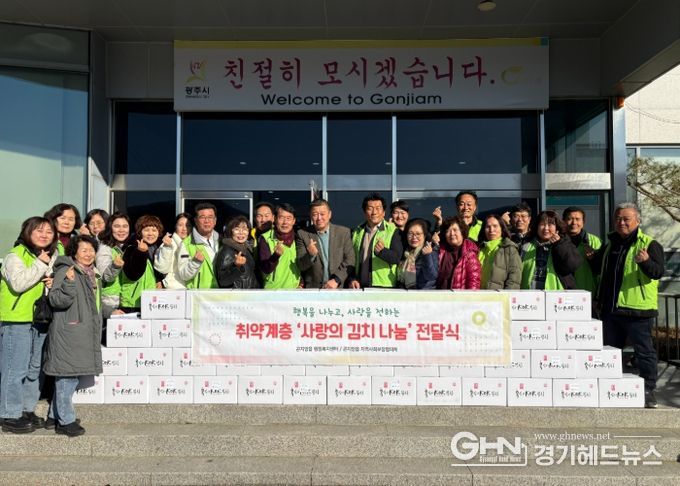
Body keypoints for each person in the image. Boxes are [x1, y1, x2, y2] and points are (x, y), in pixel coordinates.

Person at [588, 203, 664, 408]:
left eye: (626, 219)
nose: (621, 222)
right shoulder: (610, 244)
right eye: (618, 218)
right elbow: (602, 272)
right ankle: (610, 389)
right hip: (611, 310)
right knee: (610, 352)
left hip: (638, 310)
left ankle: (648, 390)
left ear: (637, 221)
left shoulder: (650, 244)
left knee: (644, 352)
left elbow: (658, 272)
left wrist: (646, 262)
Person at [0, 216, 58, 434]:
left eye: (49, 232)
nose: (44, 235)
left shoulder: (50, 256)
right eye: (39, 231)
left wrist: (52, 283)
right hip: (17, 319)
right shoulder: (15, 256)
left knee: (34, 368)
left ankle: (26, 409)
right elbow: (18, 283)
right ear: (28, 232)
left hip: (40, 318)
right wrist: (41, 264)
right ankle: (9, 414)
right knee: (14, 368)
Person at [44, 235, 103, 437]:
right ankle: (66, 421)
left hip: (79, 332)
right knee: (66, 379)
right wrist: (68, 284)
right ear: (74, 252)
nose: (89, 253)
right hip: (69, 332)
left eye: (91, 250)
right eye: (84, 250)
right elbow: (55, 299)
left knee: (69, 376)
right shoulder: (66, 270)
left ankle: (53, 417)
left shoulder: (89, 272)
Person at [296, 199, 355, 289]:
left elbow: (350, 260)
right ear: (311, 216)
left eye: (322, 214)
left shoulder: (343, 232)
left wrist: (336, 280)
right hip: (313, 289)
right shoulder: (302, 234)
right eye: (315, 214)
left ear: (329, 214)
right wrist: (310, 255)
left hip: (338, 287)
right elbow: (301, 265)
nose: (319, 218)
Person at [349, 193, 403, 289]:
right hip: (359, 287)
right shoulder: (357, 232)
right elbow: (351, 259)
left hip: (384, 287)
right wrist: (352, 278)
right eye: (370, 208)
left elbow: (397, 258)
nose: (374, 212)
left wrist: (382, 252)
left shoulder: (393, 231)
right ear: (365, 212)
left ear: (384, 212)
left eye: (378, 208)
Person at [520, 210, 582, 290]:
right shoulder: (526, 245)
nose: (546, 228)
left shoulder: (564, 242)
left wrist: (559, 244)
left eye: (550, 225)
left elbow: (572, 265)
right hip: (529, 293)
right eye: (542, 224)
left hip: (557, 294)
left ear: (557, 227)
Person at [120, 215, 165, 312]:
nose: (150, 233)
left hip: (152, 302)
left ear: (159, 233)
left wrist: (160, 281)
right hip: (133, 304)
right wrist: (140, 253)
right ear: (140, 232)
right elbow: (133, 275)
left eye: (154, 230)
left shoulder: (159, 249)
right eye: (146, 230)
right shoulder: (131, 248)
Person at [258, 203, 302, 289]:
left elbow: (301, 265)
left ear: (294, 221)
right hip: (273, 291)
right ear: (275, 219)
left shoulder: (298, 238)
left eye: (288, 218)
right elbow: (265, 269)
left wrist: (301, 282)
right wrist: (276, 256)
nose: (285, 222)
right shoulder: (265, 238)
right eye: (281, 218)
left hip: (295, 290)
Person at [177, 203, 220, 289]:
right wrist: (195, 262)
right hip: (200, 295)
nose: (206, 221)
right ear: (196, 221)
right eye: (202, 217)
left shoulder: (222, 241)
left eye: (210, 217)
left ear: (215, 221)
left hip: (222, 293)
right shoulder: (186, 244)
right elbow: (183, 275)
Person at [96, 213, 131, 315]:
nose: (121, 230)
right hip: (111, 303)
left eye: (125, 226)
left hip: (126, 301)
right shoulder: (104, 247)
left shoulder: (128, 246)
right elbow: (105, 276)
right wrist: (115, 266)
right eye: (117, 226)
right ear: (110, 228)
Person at [562, 206, 602, 294]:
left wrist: (593, 258)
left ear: (583, 222)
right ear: (563, 221)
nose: (574, 222)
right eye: (570, 219)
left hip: (587, 293)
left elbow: (601, 269)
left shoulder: (594, 241)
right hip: (562, 293)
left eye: (577, 219)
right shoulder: (558, 241)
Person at [477, 214, 522, 290]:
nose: (491, 230)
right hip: (476, 295)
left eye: (495, 226)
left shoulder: (509, 249)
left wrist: (507, 296)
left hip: (498, 296)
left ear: (502, 228)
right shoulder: (478, 249)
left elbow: (514, 280)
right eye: (488, 227)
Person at [435, 216, 481, 290]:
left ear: (462, 232)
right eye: (448, 231)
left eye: (455, 230)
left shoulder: (470, 254)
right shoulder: (440, 251)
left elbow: (473, 283)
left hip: (459, 297)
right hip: (439, 296)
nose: (452, 233)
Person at [214, 216, 259, 289]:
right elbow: (223, 281)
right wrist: (237, 267)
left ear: (248, 232)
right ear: (230, 231)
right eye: (237, 229)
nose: (241, 233)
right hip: (236, 295)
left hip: (250, 294)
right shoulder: (227, 251)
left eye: (244, 229)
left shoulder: (248, 249)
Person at [154, 212, 192, 289]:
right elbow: (162, 269)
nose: (184, 229)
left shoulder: (196, 244)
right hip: (173, 289)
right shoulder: (168, 243)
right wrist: (167, 247)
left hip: (192, 289)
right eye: (180, 225)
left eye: (188, 225)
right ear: (175, 226)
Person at [398, 218, 438, 289]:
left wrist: (427, 256)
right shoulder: (404, 252)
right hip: (404, 293)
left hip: (423, 294)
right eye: (410, 233)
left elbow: (431, 276)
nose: (414, 237)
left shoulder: (430, 251)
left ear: (424, 235)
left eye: (418, 234)